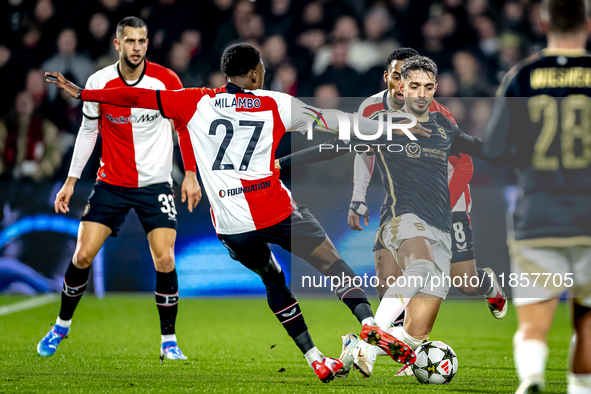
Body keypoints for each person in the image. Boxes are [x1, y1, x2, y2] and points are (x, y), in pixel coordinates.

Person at [45, 43, 418, 383]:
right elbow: (337, 121)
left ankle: (315, 357)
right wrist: (391, 127)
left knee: (273, 279)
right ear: (255, 73)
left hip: (232, 224)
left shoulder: (194, 101)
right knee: (332, 264)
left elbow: (135, 96)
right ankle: (368, 322)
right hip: (275, 209)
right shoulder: (277, 103)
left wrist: (85, 93)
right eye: (262, 70)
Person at [276, 48, 506, 377]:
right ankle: (370, 340)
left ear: (433, 87)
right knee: (409, 275)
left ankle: (353, 348)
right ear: (396, 83)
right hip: (403, 213)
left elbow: (476, 154)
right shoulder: (379, 119)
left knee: (425, 322)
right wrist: (284, 163)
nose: (413, 90)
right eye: (408, 83)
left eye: (424, 86)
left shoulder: (443, 122)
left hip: (445, 214)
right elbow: (340, 145)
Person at [37, 17, 201, 361]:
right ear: (118, 45)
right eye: (130, 41)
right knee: (81, 255)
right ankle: (61, 326)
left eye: (142, 41)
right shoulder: (99, 81)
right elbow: (87, 132)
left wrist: (189, 173)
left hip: (155, 184)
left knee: (165, 258)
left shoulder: (166, 80)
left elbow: (182, 127)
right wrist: (70, 181)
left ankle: (168, 342)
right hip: (110, 183)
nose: (137, 47)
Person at [484, 0, 591, 392]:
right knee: (587, 319)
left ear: (543, 21)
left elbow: (494, 150)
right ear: (588, 24)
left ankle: (531, 377)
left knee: (534, 322)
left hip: (538, 215)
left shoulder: (522, 75)